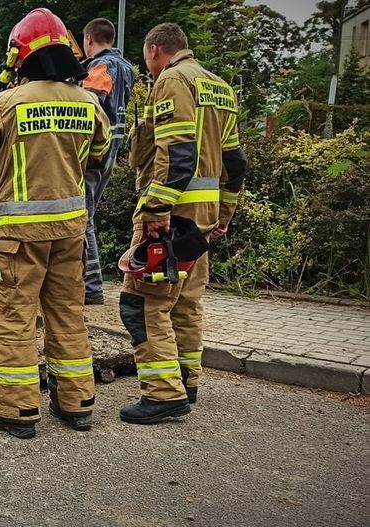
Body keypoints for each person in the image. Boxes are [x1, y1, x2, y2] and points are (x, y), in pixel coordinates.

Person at [0, 8, 111, 439]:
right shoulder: (88, 102)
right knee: (67, 314)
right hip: (71, 233)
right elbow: (99, 156)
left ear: (19, 56)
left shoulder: (8, 103)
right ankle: (77, 403)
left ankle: (17, 411)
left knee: (15, 318)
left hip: (19, 238)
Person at [117, 23, 247, 424]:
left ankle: (163, 394)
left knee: (141, 304)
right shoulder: (218, 86)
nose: (148, 67)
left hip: (171, 218)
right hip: (203, 218)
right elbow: (235, 162)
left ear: (156, 50)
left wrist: (156, 209)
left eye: (146, 59)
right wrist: (225, 213)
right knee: (186, 304)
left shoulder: (173, 80)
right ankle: (187, 382)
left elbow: (179, 153)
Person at [80, 18, 135, 305]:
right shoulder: (126, 67)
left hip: (96, 152)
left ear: (89, 38)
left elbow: (90, 100)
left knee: (83, 218)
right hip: (113, 149)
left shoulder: (102, 66)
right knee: (87, 216)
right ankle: (87, 283)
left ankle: (91, 287)